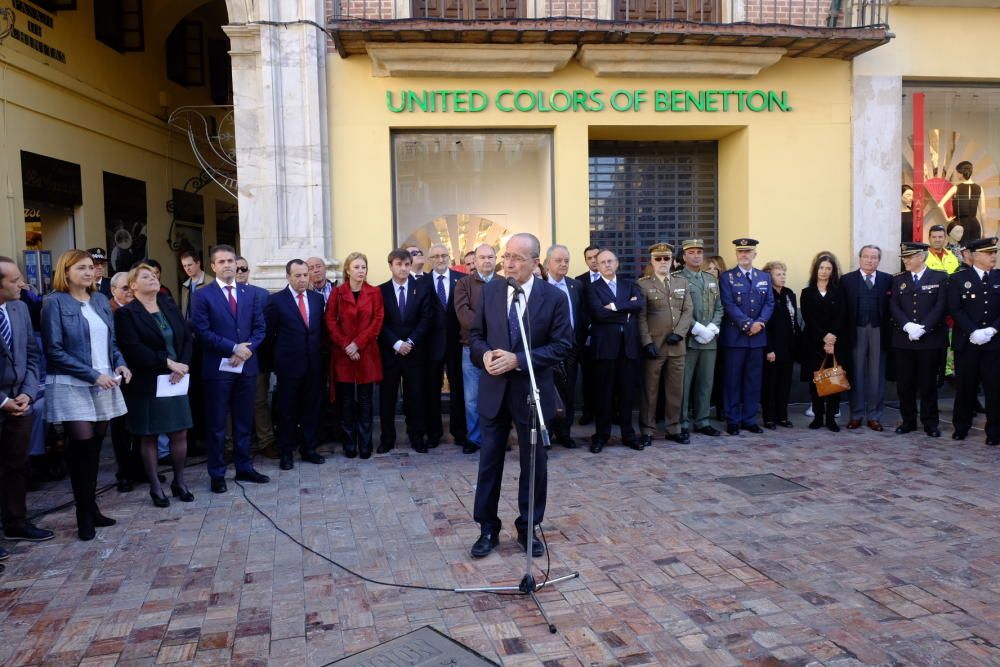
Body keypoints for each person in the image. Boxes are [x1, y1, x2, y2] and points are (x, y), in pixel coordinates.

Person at [468, 233, 571, 559]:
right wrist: (483, 355)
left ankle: (528, 527)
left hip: (531, 392)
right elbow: (474, 336)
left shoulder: (552, 298)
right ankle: (487, 528)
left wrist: (520, 360)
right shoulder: (491, 291)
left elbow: (562, 346)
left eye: (517, 258)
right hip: (494, 390)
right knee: (489, 462)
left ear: (535, 262)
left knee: (534, 464)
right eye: (506, 256)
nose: (508, 263)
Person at [41, 249, 131, 540]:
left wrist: (121, 363)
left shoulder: (101, 301)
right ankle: (82, 513)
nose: (89, 272)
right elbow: (53, 350)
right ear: (65, 272)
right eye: (81, 268)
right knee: (81, 445)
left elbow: (112, 341)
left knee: (93, 450)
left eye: (91, 267)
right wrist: (93, 375)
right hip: (72, 383)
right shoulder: (53, 302)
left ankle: (92, 507)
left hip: (106, 381)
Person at [190, 244, 270, 493]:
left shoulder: (249, 293)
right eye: (221, 261)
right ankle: (217, 473)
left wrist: (247, 349)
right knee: (217, 424)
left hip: (246, 366)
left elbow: (260, 327)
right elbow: (202, 332)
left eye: (231, 261)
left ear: (237, 264)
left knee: (243, 420)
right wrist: (232, 348)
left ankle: (244, 466)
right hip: (218, 370)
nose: (227, 265)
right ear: (213, 267)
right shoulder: (202, 295)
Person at [114, 264, 194, 507]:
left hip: (175, 380)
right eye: (146, 277)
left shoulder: (168, 304)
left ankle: (179, 481)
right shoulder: (126, 314)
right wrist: (168, 363)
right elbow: (134, 349)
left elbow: (186, 337)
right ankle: (155, 487)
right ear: (133, 285)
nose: (153, 279)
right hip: (147, 382)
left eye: (155, 276)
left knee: (179, 432)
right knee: (148, 436)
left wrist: (183, 366)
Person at [0, 256, 54, 550]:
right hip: (3, 401)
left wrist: (28, 393)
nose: (22, 284)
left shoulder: (20, 308)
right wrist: (3, 400)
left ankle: (16, 523)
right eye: (14, 280)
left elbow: (33, 354)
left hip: (21, 402)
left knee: (17, 466)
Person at [265, 259, 327, 470]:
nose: (302, 279)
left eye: (305, 275)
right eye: (297, 275)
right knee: (287, 411)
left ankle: (309, 449)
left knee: (311, 409)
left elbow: (321, 332)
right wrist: (275, 363)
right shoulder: (276, 301)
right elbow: (268, 336)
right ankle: (286, 452)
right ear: (288, 276)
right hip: (288, 366)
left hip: (314, 365)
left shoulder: (317, 299)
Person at [327, 252, 383, 459]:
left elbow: (377, 321)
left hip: (366, 353)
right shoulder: (338, 293)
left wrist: (357, 344)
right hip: (343, 355)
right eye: (357, 267)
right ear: (348, 270)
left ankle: (366, 444)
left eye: (364, 267)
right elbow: (330, 321)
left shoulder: (374, 292)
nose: (361, 271)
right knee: (347, 402)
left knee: (366, 402)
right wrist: (346, 345)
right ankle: (349, 444)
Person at [587, 249, 644, 452]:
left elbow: (640, 305)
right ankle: (601, 435)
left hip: (628, 348)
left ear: (617, 263)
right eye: (602, 262)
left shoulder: (630, 285)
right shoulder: (593, 288)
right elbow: (599, 314)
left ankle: (629, 434)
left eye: (610, 261)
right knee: (604, 394)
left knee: (627, 393)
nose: (607, 265)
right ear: (597, 266)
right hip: (605, 349)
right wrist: (625, 311)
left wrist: (613, 306)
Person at [889, 242, 948, 437]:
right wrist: (907, 326)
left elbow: (941, 306)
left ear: (921, 257)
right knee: (905, 384)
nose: (905, 260)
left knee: (928, 383)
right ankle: (908, 421)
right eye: (904, 257)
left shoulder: (939, 277)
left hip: (929, 340)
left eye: (909, 257)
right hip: (904, 340)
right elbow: (894, 305)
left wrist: (923, 328)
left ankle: (930, 422)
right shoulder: (899, 280)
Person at [637, 243, 692, 446]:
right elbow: (640, 316)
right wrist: (646, 342)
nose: (662, 262)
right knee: (650, 391)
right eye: (658, 259)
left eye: (666, 258)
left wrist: (679, 334)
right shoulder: (643, 285)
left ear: (672, 261)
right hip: (655, 346)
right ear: (651, 261)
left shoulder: (682, 282)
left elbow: (688, 310)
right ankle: (647, 429)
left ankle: (674, 428)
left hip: (677, 346)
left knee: (675, 390)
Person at [378, 249, 432, 453]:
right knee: (387, 399)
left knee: (415, 397)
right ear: (390, 265)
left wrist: (410, 341)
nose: (403, 268)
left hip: (414, 352)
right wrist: (396, 343)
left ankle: (417, 436)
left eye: (407, 264)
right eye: (399, 264)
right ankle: (387, 439)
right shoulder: (380, 291)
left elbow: (427, 318)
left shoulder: (422, 288)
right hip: (390, 353)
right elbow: (378, 322)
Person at [947, 237, 1000, 446]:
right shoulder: (959, 279)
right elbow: (954, 307)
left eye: (995, 252)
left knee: (994, 389)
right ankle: (961, 427)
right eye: (989, 253)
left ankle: (994, 431)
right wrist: (973, 331)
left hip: (994, 344)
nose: (993, 256)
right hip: (967, 343)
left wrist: (992, 329)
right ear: (976, 255)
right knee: (965, 387)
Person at [719, 239, 774, 435]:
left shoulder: (764, 277)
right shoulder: (727, 277)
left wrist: (759, 323)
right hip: (735, 338)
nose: (744, 255)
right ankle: (733, 419)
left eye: (748, 251)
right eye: (740, 252)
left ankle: (749, 419)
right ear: (736, 254)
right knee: (732, 380)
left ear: (755, 254)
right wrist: (747, 324)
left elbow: (769, 303)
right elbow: (728, 304)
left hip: (757, 338)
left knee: (753, 380)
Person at [840, 245, 892, 431]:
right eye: (866, 257)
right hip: (856, 331)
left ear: (879, 260)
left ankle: (874, 416)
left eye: (874, 257)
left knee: (876, 375)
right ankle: (856, 415)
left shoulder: (888, 280)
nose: (870, 260)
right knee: (857, 373)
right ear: (859, 258)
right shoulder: (847, 280)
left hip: (879, 331)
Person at [453, 244, 497, 454]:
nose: (487, 261)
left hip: (498, 350)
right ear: (475, 260)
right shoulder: (463, 284)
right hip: (470, 348)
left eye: (490, 257)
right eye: (482, 257)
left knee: (497, 397)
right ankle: (475, 438)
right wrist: (491, 327)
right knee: (472, 398)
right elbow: (463, 315)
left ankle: (496, 438)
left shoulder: (505, 283)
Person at [678, 240, 723, 438]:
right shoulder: (678, 278)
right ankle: (682, 421)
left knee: (706, 383)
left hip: (710, 340)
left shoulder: (710, 279)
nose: (696, 256)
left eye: (699, 252)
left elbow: (719, 307)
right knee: (684, 384)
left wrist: (712, 328)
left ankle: (703, 420)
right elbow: (677, 310)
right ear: (684, 256)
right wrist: (696, 328)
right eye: (692, 252)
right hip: (688, 339)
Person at [424, 244, 467, 449]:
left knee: (459, 389)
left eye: (443, 255)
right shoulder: (422, 282)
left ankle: (459, 432)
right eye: (436, 256)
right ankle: (433, 432)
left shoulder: (461, 280)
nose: (440, 259)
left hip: (456, 343)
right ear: (429, 260)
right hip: (430, 346)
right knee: (431, 390)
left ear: (449, 257)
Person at [799, 252, 847, 432]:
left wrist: (832, 337)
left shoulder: (839, 291)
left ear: (833, 271)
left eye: (828, 268)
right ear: (816, 269)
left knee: (834, 381)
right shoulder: (807, 292)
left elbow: (842, 316)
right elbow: (808, 317)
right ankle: (818, 417)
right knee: (815, 381)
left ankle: (831, 418)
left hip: (835, 342)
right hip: (813, 342)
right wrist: (823, 336)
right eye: (821, 268)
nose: (824, 271)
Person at [235, 257, 277, 458]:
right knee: (229, 404)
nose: (241, 272)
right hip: (229, 358)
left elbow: (266, 329)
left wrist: (249, 349)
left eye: (244, 268)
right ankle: (228, 446)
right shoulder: (216, 295)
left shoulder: (262, 295)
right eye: (237, 269)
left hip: (257, 357)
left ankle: (266, 441)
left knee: (259, 401)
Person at [543, 244, 584, 448]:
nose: (563, 264)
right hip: (547, 349)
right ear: (548, 262)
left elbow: (581, 316)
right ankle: (547, 433)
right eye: (558, 260)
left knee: (568, 392)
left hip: (570, 348)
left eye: (566, 260)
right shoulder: (539, 285)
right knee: (548, 392)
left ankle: (565, 433)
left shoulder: (575, 286)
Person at [107, 271, 138, 491]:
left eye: (131, 287)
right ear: (113, 290)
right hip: (117, 374)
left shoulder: (139, 308)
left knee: (141, 425)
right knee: (121, 429)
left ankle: (141, 468)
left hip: (140, 373)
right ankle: (124, 472)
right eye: (125, 288)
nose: (129, 292)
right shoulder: (108, 310)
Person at [761, 261, 800, 429]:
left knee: (785, 383)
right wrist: (769, 349)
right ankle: (769, 417)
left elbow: (794, 321)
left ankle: (782, 416)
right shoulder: (765, 294)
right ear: (770, 277)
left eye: (784, 274)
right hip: (772, 348)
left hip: (789, 347)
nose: (782, 277)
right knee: (770, 384)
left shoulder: (789, 294)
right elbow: (765, 324)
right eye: (778, 274)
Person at [574, 244, 602, 425]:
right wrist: (590, 325)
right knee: (588, 376)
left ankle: (609, 411)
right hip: (587, 335)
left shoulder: (612, 278)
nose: (593, 260)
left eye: (595, 257)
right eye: (589, 258)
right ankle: (588, 411)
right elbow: (579, 307)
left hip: (608, 335)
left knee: (607, 374)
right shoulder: (579, 281)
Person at [939, 161, 986, 245]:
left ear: (961, 173)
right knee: (973, 254)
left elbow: (940, 205)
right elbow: (983, 212)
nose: (956, 175)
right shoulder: (979, 188)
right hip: (975, 225)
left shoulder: (955, 188)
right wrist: (985, 232)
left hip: (959, 226)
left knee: (960, 254)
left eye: (957, 172)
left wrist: (947, 219)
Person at [705, 254, 727, 418]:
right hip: (705, 335)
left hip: (724, 336)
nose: (713, 271)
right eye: (709, 268)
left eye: (715, 269)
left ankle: (721, 408)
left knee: (722, 374)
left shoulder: (726, 287)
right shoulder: (701, 285)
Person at [179, 250, 209, 321]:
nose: (187, 269)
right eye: (184, 266)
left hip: (206, 328)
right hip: (189, 329)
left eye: (189, 265)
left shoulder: (211, 283)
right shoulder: (185, 286)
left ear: (198, 263)